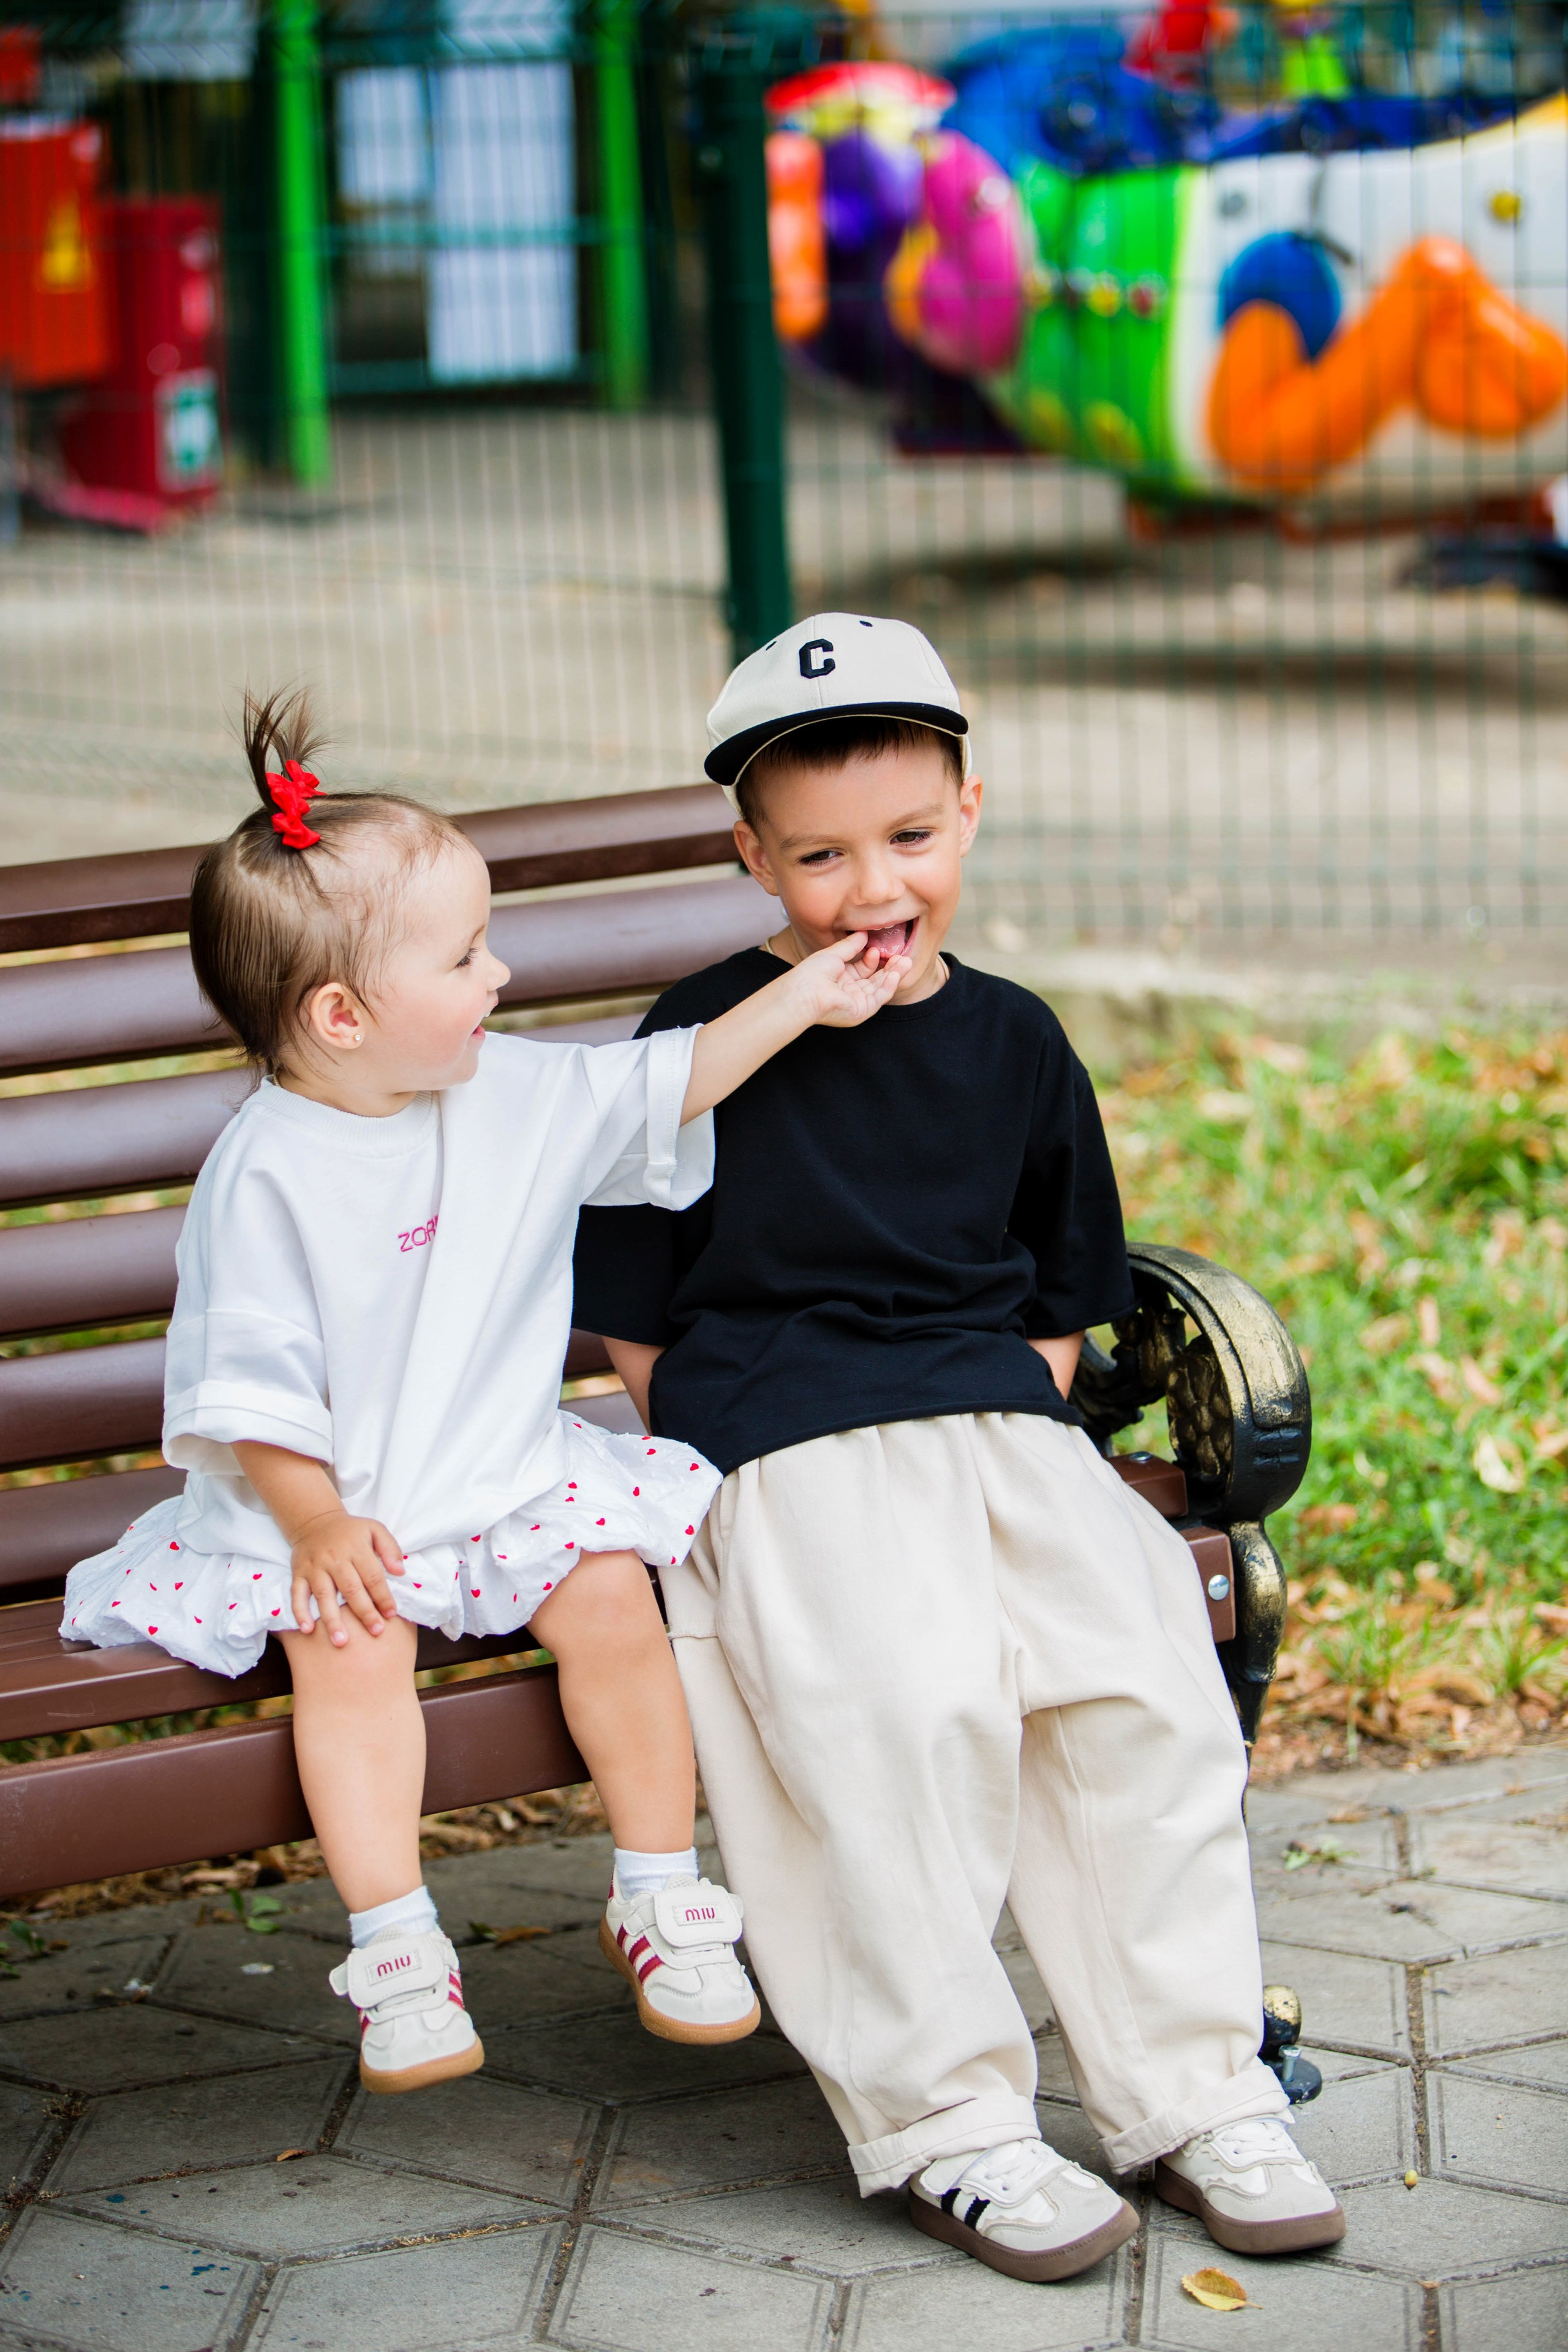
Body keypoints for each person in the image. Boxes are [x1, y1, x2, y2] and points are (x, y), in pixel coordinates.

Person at [571, 614, 1346, 2280]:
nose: (872, 888)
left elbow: (1065, 1279)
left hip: (994, 1418)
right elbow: (631, 1293)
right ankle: (949, 2123)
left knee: (1137, 1687)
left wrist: (1015, 1411)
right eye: (823, 857)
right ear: (754, 857)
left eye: (910, 840)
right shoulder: (701, 1040)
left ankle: (1191, 2089)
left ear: (970, 815)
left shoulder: (1011, 1039)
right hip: (787, 1443)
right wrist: (720, 1447)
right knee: (891, 1718)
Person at [61, 687, 910, 2096]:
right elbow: (253, 1393)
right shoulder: (267, 1175)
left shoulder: (498, 1091)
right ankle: (396, 1946)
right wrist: (320, 1529)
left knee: (612, 1606)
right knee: (352, 1647)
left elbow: (662, 1086)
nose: (500, 976)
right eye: (463, 956)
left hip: (504, 1477)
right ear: (341, 1015)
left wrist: (809, 995)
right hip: (330, 1515)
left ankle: (657, 1894)